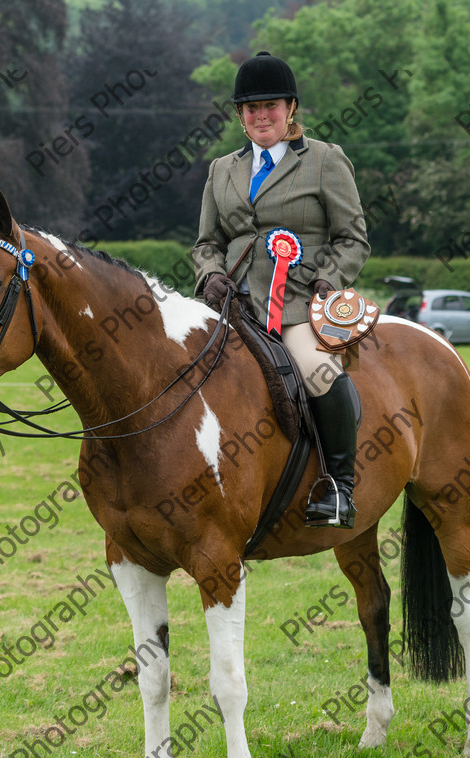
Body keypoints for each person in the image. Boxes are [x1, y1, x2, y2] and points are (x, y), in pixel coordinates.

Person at [193, 51, 370, 528]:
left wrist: (328, 279)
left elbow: (353, 237)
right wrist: (209, 273)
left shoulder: (323, 161)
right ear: (239, 116)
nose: (260, 115)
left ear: (291, 108)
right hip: (231, 304)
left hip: (295, 306)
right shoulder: (221, 170)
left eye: (270, 105)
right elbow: (208, 242)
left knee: (317, 372)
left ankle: (338, 488)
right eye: (250, 108)